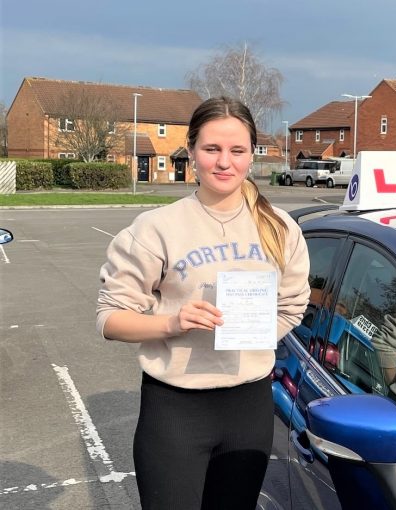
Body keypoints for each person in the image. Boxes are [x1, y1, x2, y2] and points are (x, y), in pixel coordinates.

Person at [96, 96, 310, 509]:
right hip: (175, 409)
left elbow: (292, 306)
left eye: (237, 150)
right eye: (212, 149)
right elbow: (109, 318)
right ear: (192, 151)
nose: (224, 162)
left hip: (248, 407)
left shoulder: (281, 229)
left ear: (252, 155)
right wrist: (171, 324)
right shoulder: (157, 228)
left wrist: (253, 331)